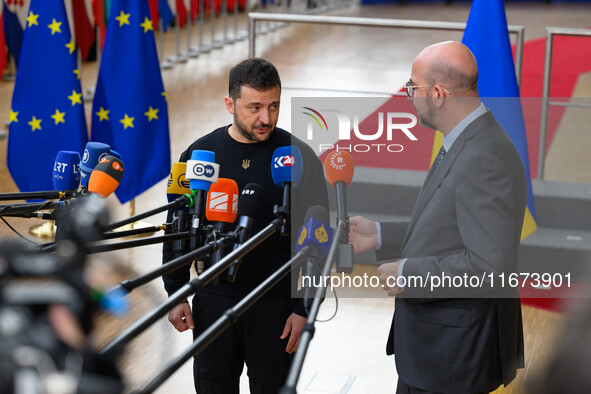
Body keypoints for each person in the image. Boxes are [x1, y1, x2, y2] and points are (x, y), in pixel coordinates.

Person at [349, 41, 526, 393]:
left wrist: (407, 273)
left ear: (439, 94)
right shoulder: (467, 139)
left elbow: (489, 267)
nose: (409, 95)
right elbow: (451, 228)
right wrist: (381, 235)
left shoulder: (482, 157)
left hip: (452, 359)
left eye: (412, 87)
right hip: (439, 352)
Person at [162, 58, 328, 393]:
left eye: (274, 106)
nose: (265, 118)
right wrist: (176, 291)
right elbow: (176, 225)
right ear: (230, 104)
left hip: (277, 304)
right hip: (214, 296)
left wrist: (304, 307)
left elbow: (319, 240)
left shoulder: (299, 157)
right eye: (254, 107)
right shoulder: (199, 154)